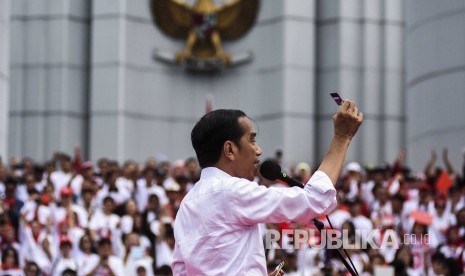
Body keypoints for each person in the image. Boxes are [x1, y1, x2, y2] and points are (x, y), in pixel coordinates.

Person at [172, 101, 363, 275]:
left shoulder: (187, 204)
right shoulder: (232, 191)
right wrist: (342, 136)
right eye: (252, 140)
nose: (259, 150)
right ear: (229, 150)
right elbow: (315, 199)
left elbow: (181, 271)